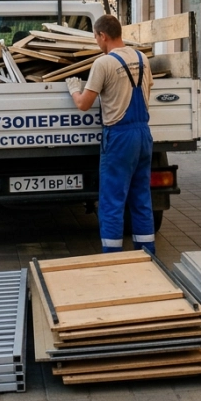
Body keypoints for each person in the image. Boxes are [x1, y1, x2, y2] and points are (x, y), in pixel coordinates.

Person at [66, 14, 154, 255]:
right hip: (143, 135)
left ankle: (112, 257)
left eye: (95, 37)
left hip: (119, 137)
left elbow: (84, 104)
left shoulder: (103, 64)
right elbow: (150, 87)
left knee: (113, 201)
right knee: (141, 198)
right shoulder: (142, 58)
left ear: (102, 35)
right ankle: (147, 255)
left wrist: (74, 90)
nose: (96, 42)